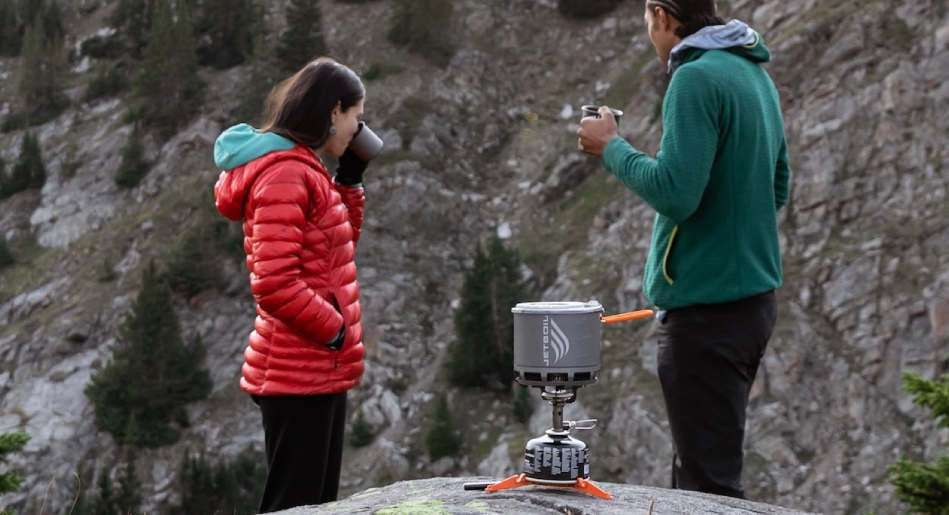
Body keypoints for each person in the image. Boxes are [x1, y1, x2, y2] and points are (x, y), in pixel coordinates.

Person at [576, 0, 791, 499]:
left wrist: (611, 147)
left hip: (706, 312)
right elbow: (777, 187)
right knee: (704, 468)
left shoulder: (694, 80)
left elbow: (675, 193)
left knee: (706, 487)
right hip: (753, 304)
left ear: (661, 14)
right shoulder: (754, 74)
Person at [212, 57, 370, 512]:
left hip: (316, 367)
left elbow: (332, 252)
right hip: (297, 367)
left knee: (314, 505)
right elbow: (275, 283)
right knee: (294, 504)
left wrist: (349, 183)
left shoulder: (304, 166)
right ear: (334, 112)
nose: (358, 129)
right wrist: (335, 329)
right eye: (356, 117)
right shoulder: (285, 172)